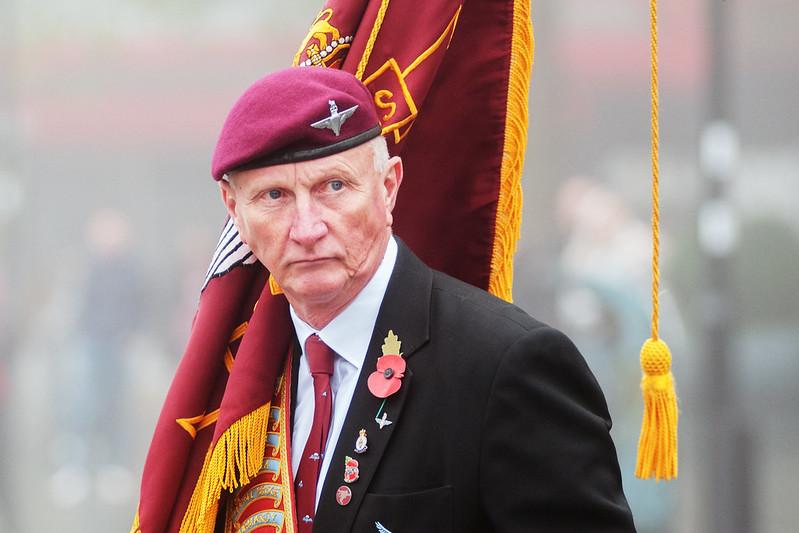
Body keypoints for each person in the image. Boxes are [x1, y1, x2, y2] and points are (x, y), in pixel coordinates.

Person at [135, 67, 635, 533]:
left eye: (334, 186)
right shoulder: (241, 378)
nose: (307, 229)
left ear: (389, 186)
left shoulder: (507, 364)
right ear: (234, 210)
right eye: (273, 197)